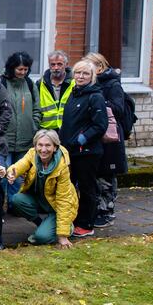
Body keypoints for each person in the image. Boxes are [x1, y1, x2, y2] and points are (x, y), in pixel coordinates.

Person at [59, 59, 107, 238]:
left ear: (92, 77)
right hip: (71, 151)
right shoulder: (74, 93)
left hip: (87, 152)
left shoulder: (95, 96)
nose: (81, 76)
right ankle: (74, 219)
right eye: (78, 73)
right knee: (70, 187)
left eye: (85, 74)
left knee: (87, 188)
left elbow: (99, 125)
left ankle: (86, 224)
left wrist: (80, 139)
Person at [6, 129, 78, 249]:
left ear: (55, 147)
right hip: (41, 200)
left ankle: (67, 227)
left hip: (57, 206)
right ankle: (43, 224)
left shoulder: (62, 166)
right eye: (40, 145)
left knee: (40, 238)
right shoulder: (32, 154)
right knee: (16, 200)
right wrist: (12, 172)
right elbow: (20, 165)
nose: (43, 149)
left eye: (48, 145)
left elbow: (64, 201)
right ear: (35, 146)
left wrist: (62, 235)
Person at [84, 52, 127, 228]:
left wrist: (98, 104)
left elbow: (118, 109)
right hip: (95, 136)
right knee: (95, 174)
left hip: (110, 138)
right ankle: (96, 210)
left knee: (106, 176)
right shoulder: (90, 84)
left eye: (89, 67)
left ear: (100, 67)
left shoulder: (113, 85)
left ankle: (107, 212)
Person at [0, 51, 41, 208]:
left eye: (25, 69)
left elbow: (37, 108)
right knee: (4, 174)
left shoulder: (30, 84)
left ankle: (14, 205)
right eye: (19, 69)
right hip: (6, 139)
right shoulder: (2, 83)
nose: (23, 72)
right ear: (12, 68)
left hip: (26, 138)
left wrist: (34, 124)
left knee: (18, 176)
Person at [37, 50, 74, 133]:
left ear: (66, 65)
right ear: (49, 65)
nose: (56, 68)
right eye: (52, 64)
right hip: (46, 130)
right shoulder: (40, 83)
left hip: (69, 129)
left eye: (59, 64)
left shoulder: (74, 83)